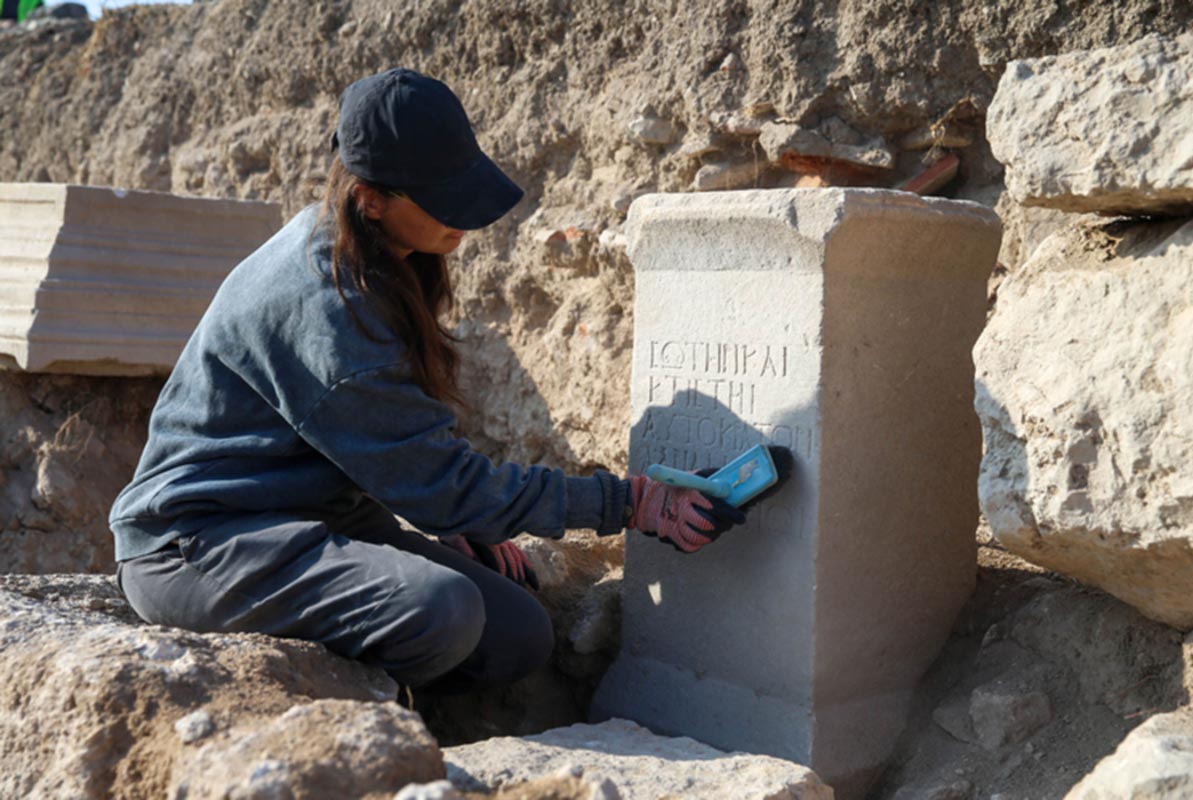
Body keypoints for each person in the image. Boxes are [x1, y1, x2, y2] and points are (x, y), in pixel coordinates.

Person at [110, 68, 789, 693]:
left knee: (518, 634)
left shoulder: (377, 249)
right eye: (442, 202)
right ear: (370, 198)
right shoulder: (324, 307)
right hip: (202, 542)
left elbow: (408, 452)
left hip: (311, 515)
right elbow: (444, 485)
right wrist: (633, 503)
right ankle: (365, 724)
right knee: (444, 610)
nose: (463, 219)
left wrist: (464, 517)